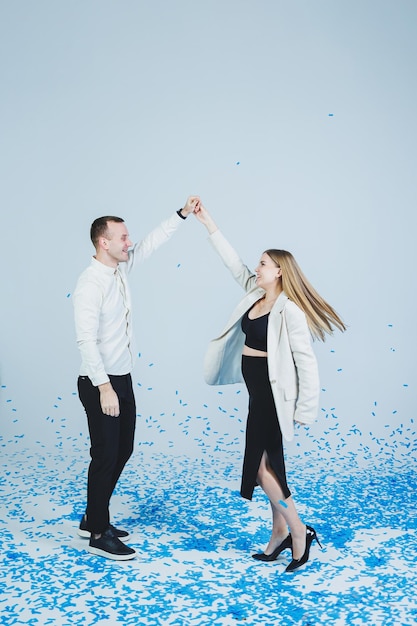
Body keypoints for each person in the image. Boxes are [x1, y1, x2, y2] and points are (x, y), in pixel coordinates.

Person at [193, 203, 346, 572]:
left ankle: (298, 532)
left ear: (279, 272)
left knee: (261, 470)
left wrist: (305, 409)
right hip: (256, 395)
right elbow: (232, 262)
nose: (256, 267)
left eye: (262, 263)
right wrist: (208, 223)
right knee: (271, 468)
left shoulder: (289, 311)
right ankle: (279, 533)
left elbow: (306, 362)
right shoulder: (255, 295)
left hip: (274, 400)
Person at [73, 196, 199, 560]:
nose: (129, 242)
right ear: (104, 242)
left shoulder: (120, 269)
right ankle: (98, 531)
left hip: (122, 378)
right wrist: (104, 388)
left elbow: (152, 243)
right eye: (123, 237)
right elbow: (86, 341)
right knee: (105, 455)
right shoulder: (89, 284)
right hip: (100, 382)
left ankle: (92, 516)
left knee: (122, 450)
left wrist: (181, 215)